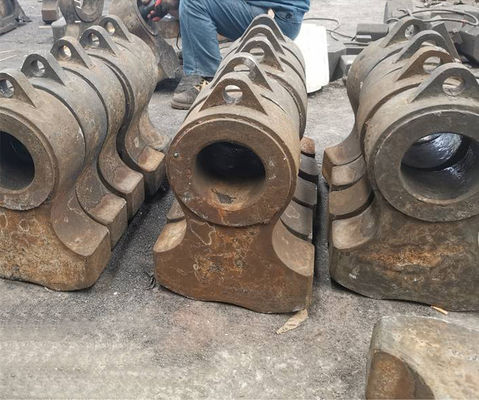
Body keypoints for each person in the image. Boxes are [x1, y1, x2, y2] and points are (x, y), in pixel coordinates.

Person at [146, 0, 310, 109]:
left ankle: (206, 78)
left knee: (194, 2)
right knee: (184, 3)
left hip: (278, 17)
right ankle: (196, 54)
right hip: (275, 11)